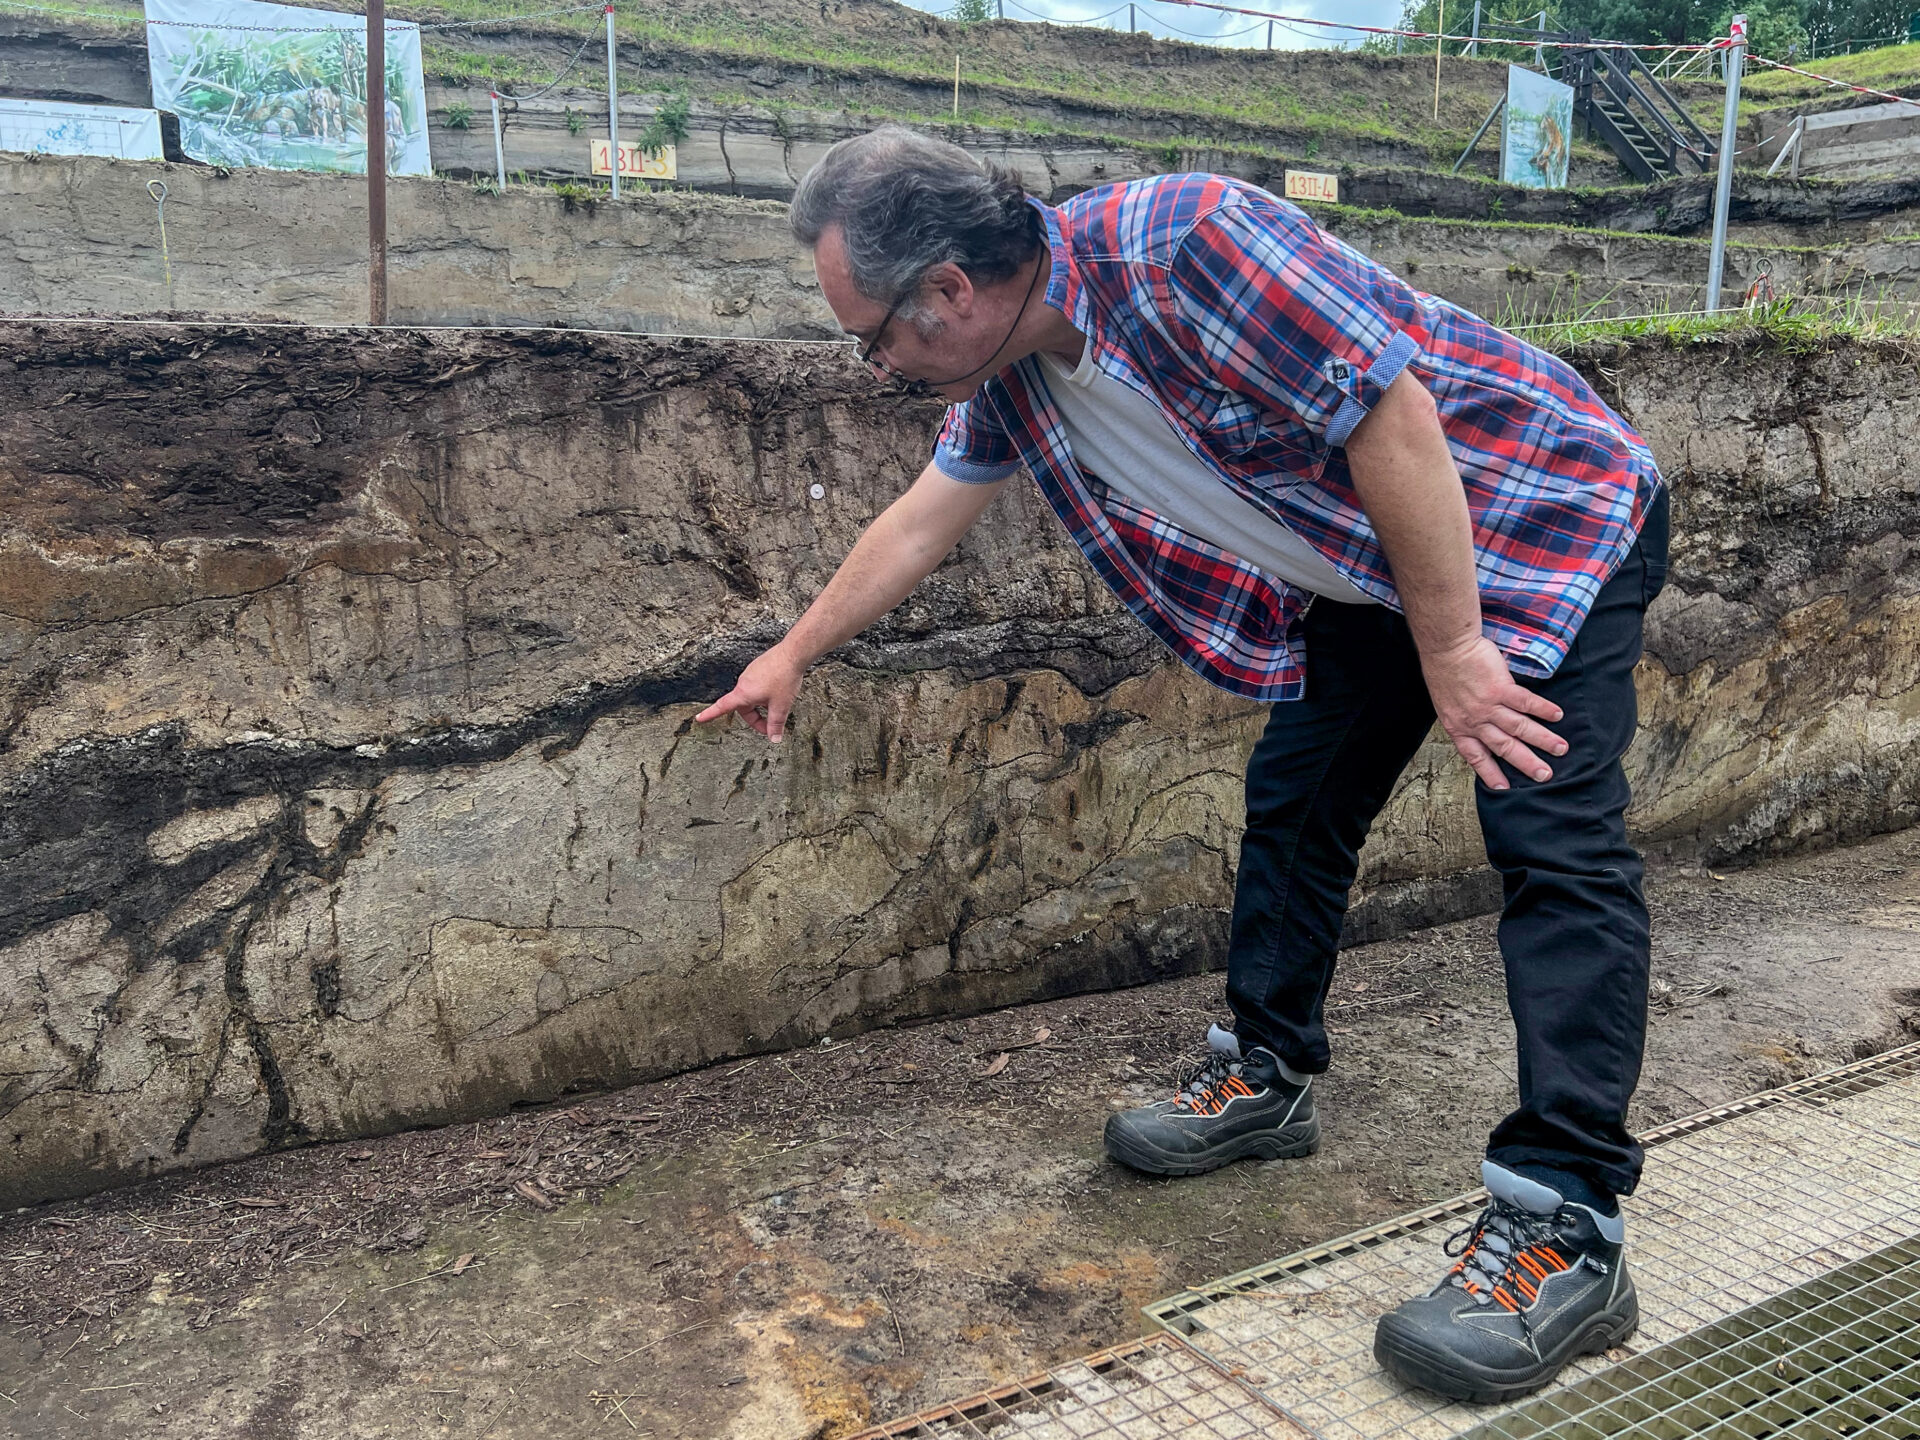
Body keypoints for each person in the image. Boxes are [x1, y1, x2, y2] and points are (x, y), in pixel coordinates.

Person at [696, 128, 1667, 1403]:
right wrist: (794, 653)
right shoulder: (1011, 374)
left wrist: (1461, 648)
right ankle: (1267, 1075)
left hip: (1540, 518)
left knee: (1552, 843)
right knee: (1297, 803)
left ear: (949, 290)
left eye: (873, 337)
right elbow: (923, 518)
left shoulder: (1184, 241)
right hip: (1380, 566)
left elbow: (1396, 415)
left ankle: (1568, 1226)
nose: (875, 367)